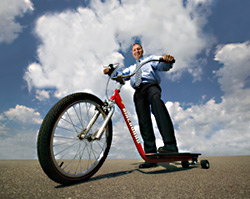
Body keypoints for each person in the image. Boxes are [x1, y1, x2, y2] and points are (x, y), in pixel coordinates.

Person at [104, 43, 178, 168]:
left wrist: (168, 61)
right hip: (138, 92)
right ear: (133, 53)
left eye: (138, 49)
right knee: (144, 121)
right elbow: (121, 75)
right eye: (134, 50)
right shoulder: (132, 68)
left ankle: (170, 144)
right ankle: (150, 155)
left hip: (151, 87)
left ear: (142, 51)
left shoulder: (150, 60)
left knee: (156, 103)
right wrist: (110, 72)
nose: (136, 51)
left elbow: (162, 64)